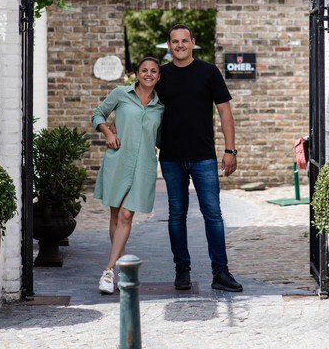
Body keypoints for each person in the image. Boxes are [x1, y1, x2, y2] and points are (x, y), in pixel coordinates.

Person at [157, 24, 242, 292]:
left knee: (213, 215)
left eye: (184, 40)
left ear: (193, 42)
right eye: (174, 41)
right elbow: (140, 107)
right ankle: (182, 271)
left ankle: (221, 273)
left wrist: (230, 150)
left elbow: (225, 113)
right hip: (170, 157)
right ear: (169, 45)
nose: (180, 45)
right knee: (176, 215)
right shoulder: (161, 76)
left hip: (204, 157)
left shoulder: (208, 71)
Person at [92, 57, 164, 294]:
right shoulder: (121, 94)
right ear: (137, 73)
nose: (149, 74)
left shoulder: (161, 106)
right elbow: (98, 115)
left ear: (159, 76)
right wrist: (107, 132)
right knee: (115, 216)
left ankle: (109, 270)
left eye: (154, 71)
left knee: (125, 215)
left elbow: (163, 137)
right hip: (119, 161)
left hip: (144, 166)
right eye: (144, 70)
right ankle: (121, 268)